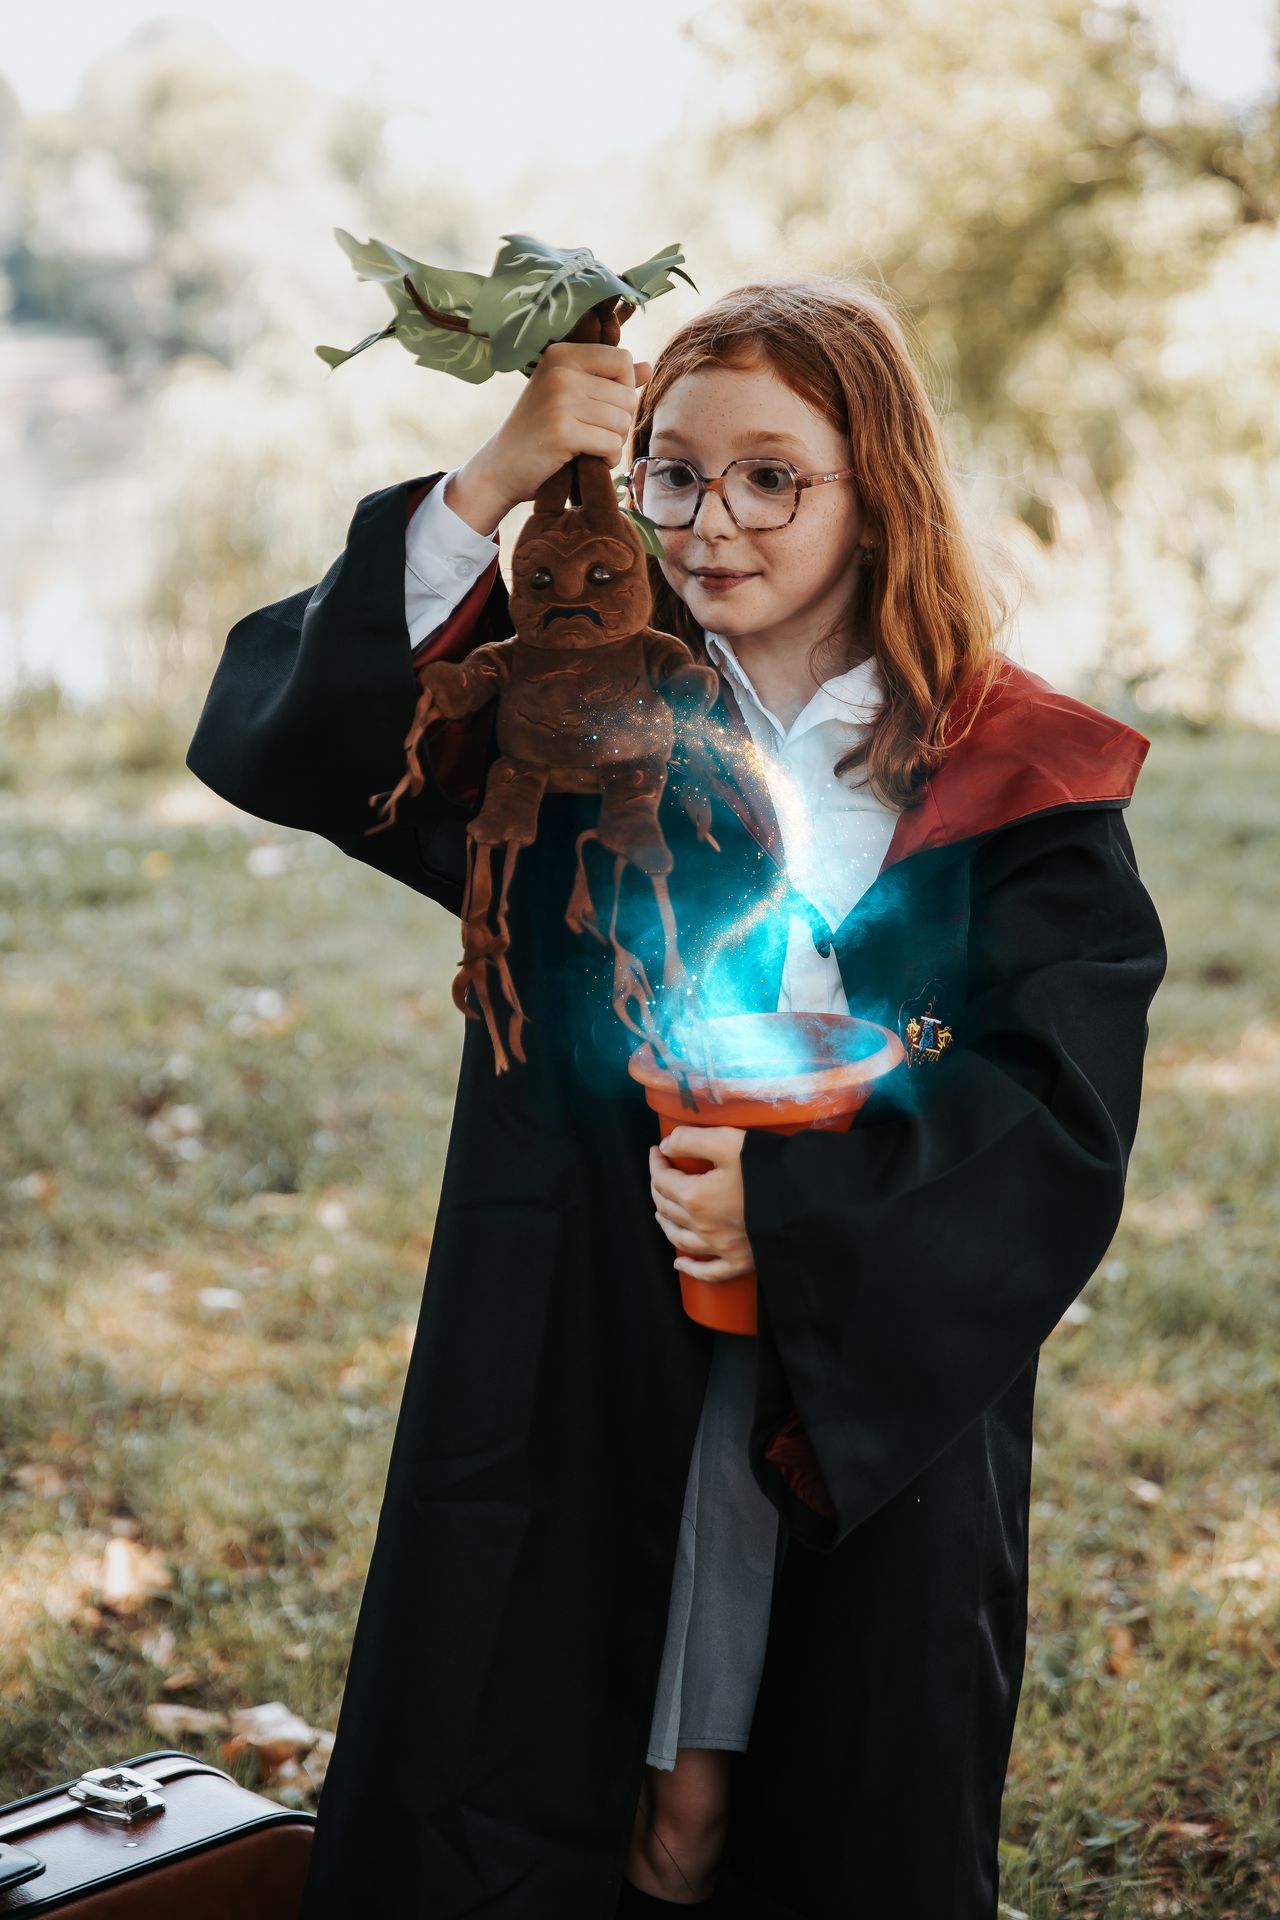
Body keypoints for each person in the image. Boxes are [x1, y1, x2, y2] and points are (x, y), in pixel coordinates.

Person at [185, 279, 1168, 1919]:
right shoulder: (582, 720)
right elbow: (297, 748)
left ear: (881, 495)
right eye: (674, 472)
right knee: (562, 1759)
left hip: (869, 1359)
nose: (714, 522)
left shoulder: (1014, 772)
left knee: (833, 1776)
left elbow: (1060, 1124)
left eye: (775, 476)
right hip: (583, 1312)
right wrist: (488, 486)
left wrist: (786, 1212)